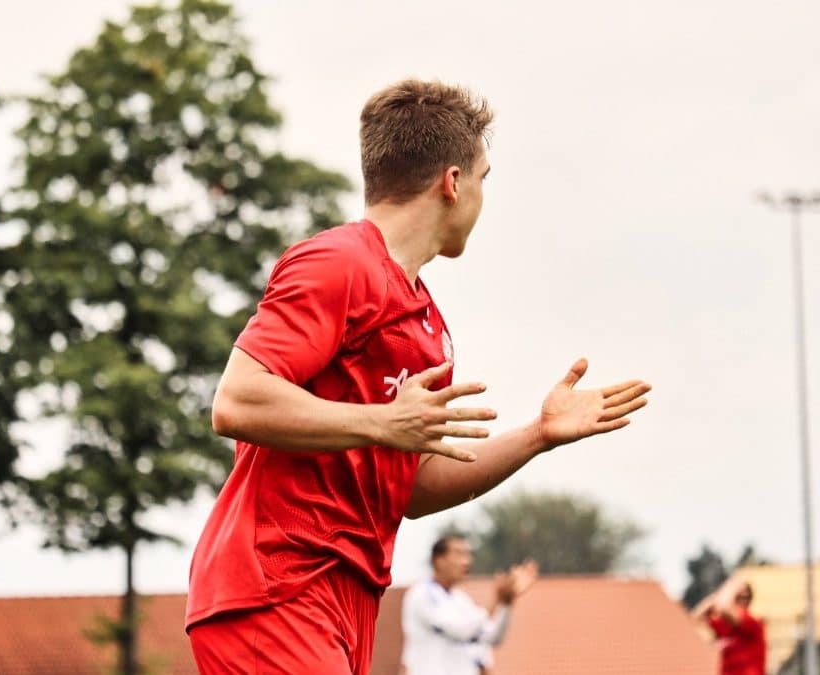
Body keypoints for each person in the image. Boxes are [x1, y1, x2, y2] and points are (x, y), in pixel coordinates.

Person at [185, 79, 651, 675]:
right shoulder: (339, 262)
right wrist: (383, 422)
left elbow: (412, 489)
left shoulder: (428, 324)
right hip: (275, 585)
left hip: (347, 597)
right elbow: (237, 401)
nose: (482, 197)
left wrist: (537, 434)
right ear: (453, 183)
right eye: (483, 178)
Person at [401, 534, 537, 675]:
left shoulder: (461, 599)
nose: (467, 561)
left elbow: (493, 637)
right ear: (438, 560)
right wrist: (496, 601)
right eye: (459, 554)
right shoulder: (421, 594)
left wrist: (507, 603)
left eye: (468, 555)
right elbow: (461, 630)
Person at [693, 577, 766, 675]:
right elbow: (697, 616)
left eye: (744, 597)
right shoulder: (724, 625)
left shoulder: (753, 623)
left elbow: (723, 607)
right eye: (738, 597)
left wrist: (731, 587)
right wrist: (718, 597)